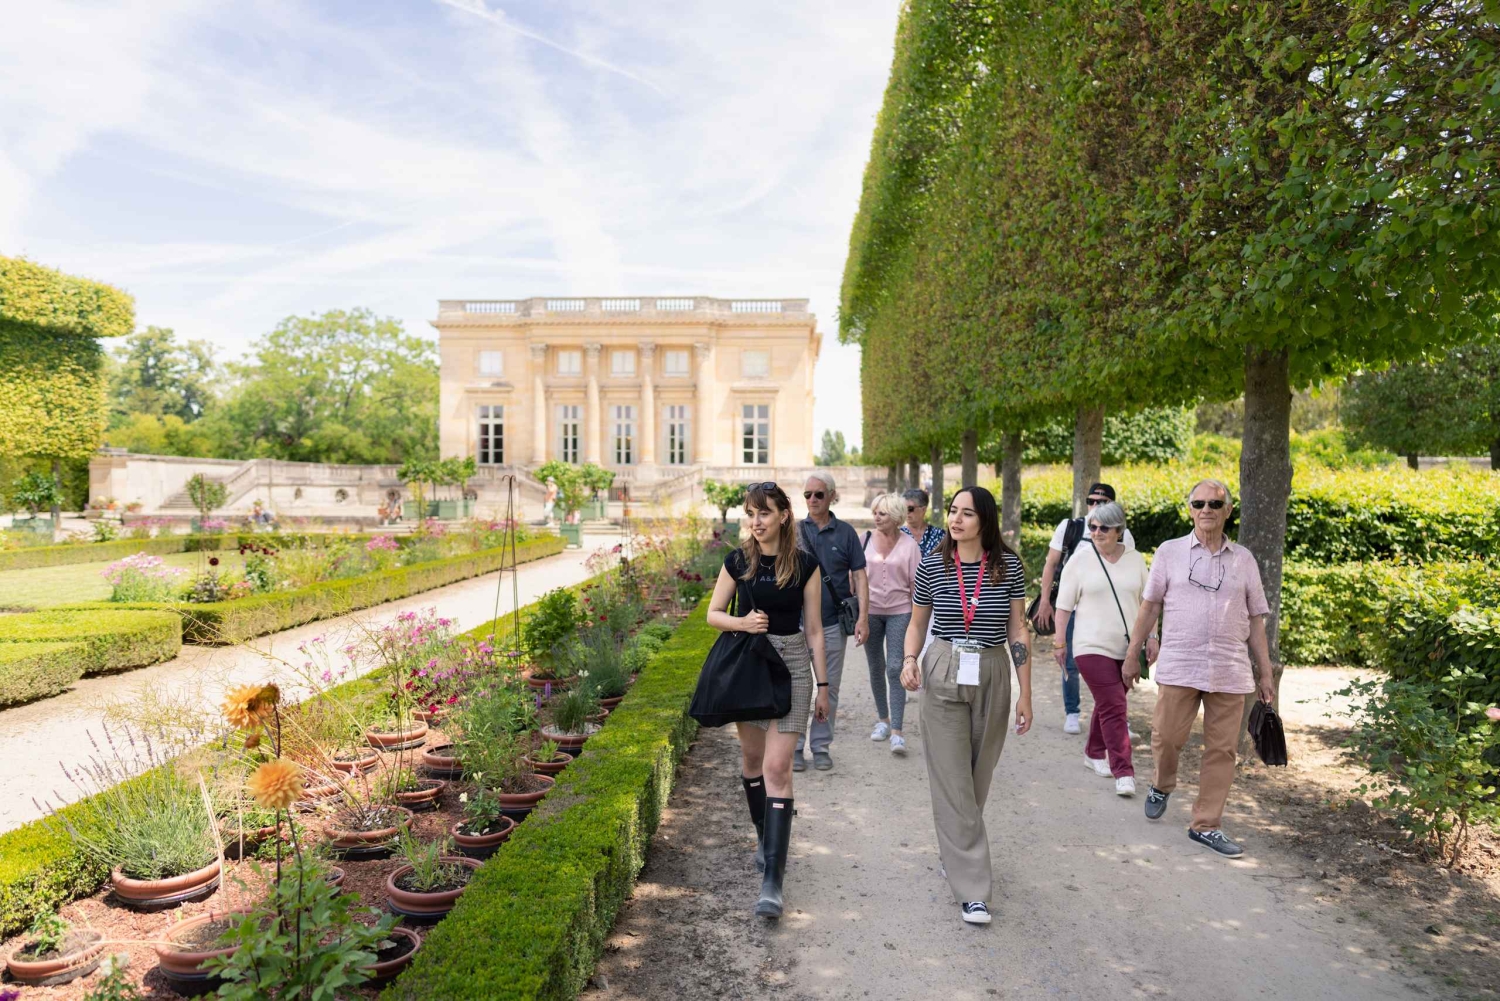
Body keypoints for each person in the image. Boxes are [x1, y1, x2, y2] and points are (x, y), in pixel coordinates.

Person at [1123, 479, 1277, 858]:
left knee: (1223, 751)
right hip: (1179, 664)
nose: (1206, 509)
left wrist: (1266, 672)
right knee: (1165, 737)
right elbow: (1149, 606)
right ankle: (1162, 783)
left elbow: (1257, 619)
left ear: (1227, 511)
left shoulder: (1244, 560)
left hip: (1230, 669)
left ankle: (1206, 825)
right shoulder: (1169, 552)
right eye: (1199, 503)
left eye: (1215, 503)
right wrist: (1132, 653)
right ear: (1190, 509)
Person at [900, 486, 1032, 925]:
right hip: (943, 664)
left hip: (993, 668)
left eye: (967, 514)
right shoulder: (933, 564)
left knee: (977, 775)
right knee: (953, 778)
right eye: (953, 512)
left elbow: (1018, 630)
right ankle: (974, 890)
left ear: (985, 521)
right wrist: (907, 661)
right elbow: (917, 623)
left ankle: (955, 849)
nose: (956, 520)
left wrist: (1024, 692)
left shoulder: (1008, 566)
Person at [706, 482, 831, 918]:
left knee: (779, 768)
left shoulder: (806, 565)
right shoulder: (738, 560)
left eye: (764, 513)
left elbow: (814, 629)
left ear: (783, 516)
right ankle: (765, 837)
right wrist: (742, 621)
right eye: (750, 513)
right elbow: (713, 614)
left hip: (793, 664)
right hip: (752, 665)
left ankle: (773, 879)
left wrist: (824, 686)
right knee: (752, 762)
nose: (756, 521)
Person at [1053, 501, 1153, 796]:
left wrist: (1152, 638)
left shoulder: (1136, 560)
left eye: (1103, 528)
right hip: (1089, 646)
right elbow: (1063, 606)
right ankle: (1123, 770)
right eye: (1093, 527)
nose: (1096, 532)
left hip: (1127, 649)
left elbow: (1148, 603)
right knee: (1115, 706)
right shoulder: (1081, 560)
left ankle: (1094, 752)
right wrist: (1060, 642)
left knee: (1108, 704)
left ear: (1119, 530)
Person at [1033, 482, 1136, 734]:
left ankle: (1117, 715)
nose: (1096, 506)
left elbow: (1129, 570)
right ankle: (1072, 712)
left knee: (1116, 662)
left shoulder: (1124, 535)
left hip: (1108, 611)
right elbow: (1051, 564)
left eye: (1102, 502)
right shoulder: (1070, 527)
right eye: (1092, 501)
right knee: (1069, 661)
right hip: (1073, 607)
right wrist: (1045, 601)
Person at [795, 472, 869, 773]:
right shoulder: (795, 532)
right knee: (797, 688)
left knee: (830, 688)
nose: (812, 500)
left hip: (832, 624)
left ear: (832, 496)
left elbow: (861, 576)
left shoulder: (847, 533)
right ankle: (796, 747)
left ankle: (821, 746)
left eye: (818, 495)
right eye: (807, 495)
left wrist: (863, 616)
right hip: (797, 624)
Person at [863, 492, 921, 755]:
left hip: (900, 612)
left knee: (896, 666)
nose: (877, 517)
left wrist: (919, 621)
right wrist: (860, 616)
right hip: (871, 613)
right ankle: (883, 721)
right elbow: (856, 579)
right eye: (875, 512)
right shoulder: (864, 540)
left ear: (896, 517)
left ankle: (897, 731)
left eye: (882, 513)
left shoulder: (909, 546)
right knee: (876, 665)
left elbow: (916, 588)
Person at [900, 488, 945, 558]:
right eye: (903, 508)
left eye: (910, 509)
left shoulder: (939, 535)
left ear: (923, 509)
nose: (906, 512)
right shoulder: (897, 534)